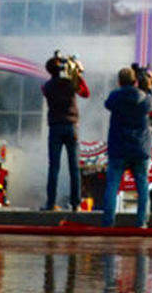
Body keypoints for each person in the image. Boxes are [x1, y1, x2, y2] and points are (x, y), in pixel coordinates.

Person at [102, 67, 152, 228]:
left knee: (112, 186)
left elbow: (107, 104)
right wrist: (148, 88)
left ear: (119, 82)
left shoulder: (114, 97)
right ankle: (141, 222)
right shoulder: (145, 98)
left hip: (118, 148)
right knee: (142, 187)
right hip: (140, 149)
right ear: (136, 81)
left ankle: (108, 222)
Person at [41, 52, 90, 211]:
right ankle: (76, 203)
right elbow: (85, 93)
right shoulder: (70, 83)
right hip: (71, 126)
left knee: (53, 167)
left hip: (55, 127)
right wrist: (77, 72)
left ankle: (50, 203)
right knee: (74, 167)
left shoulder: (46, 87)